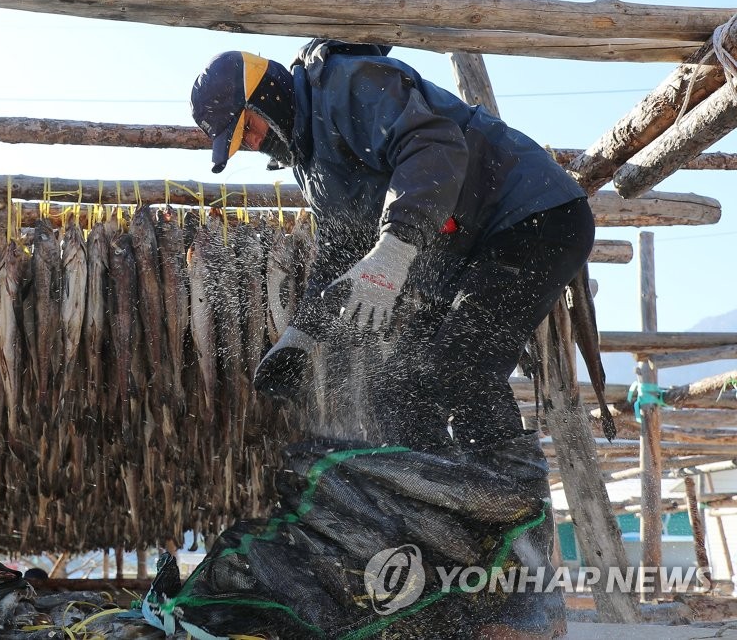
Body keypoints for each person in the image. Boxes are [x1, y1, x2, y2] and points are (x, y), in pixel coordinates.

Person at [190, 40, 594, 639]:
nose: (249, 144)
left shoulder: (347, 82)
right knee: (401, 390)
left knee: (460, 369)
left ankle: (529, 594)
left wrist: (398, 247)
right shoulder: (311, 163)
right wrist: (303, 334)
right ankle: (451, 576)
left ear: (265, 95)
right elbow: (342, 255)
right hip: (472, 250)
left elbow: (433, 147)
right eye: (238, 141)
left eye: (245, 129)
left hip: (531, 219)